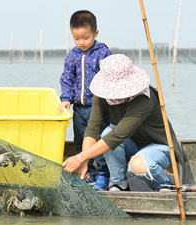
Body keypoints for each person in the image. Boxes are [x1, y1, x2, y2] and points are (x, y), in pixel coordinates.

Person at [62, 54, 183, 192]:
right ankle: (118, 183)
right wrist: (84, 161)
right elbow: (92, 129)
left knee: (138, 164)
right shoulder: (102, 94)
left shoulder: (144, 98)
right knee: (107, 131)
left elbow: (117, 136)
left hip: (159, 147)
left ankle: (166, 185)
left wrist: (79, 157)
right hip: (132, 145)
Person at [58, 10, 111, 190]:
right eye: (76, 38)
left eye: (85, 38)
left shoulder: (102, 52)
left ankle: (103, 173)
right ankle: (86, 172)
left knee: (98, 140)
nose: (81, 42)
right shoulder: (72, 55)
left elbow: (109, 77)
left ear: (95, 33)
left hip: (99, 109)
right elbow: (67, 78)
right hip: (79, 109)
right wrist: (66, 99)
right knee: (81, 141)